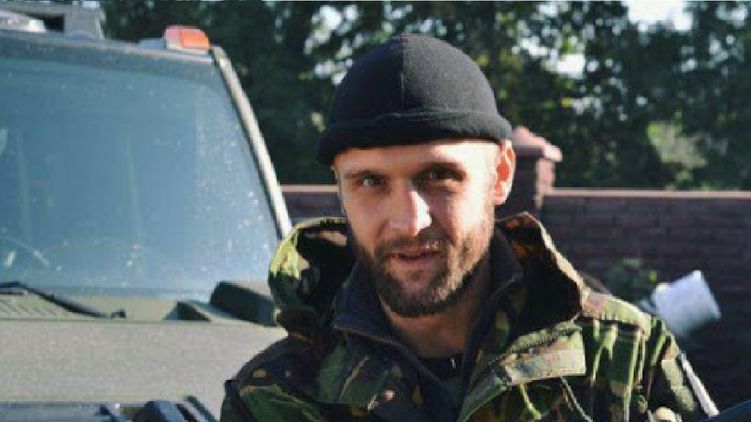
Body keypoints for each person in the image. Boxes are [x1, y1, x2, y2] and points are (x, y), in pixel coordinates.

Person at [221, 34, 716, 422]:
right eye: (371, 181)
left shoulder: (625, 360)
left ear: (500, 175)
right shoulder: (274, 398)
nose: (409, 222)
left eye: (439, 176)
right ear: (340, 188)